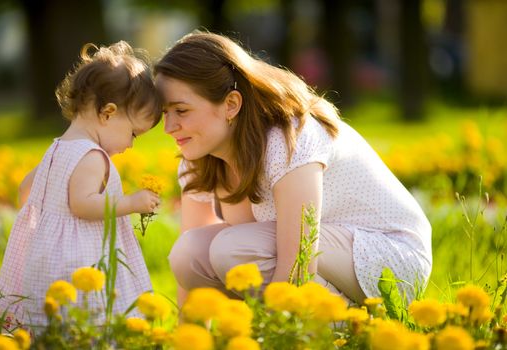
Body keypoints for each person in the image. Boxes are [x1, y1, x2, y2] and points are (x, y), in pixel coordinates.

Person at [154, 31, 432, 306]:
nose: (169, 127)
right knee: (189, 252)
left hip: (394, 260)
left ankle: (351, 326)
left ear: (231, 104)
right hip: (326, 258)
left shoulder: (288, 137)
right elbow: (189, 267)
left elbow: (298, 264)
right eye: (165, 113)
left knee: (234, 250)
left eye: (181, 110)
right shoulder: (198, 154)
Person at [0, 41, 161, 331]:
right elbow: (83, 205)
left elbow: (25, 191)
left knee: (50, 326)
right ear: (108, 113)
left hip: (45, 258)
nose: (132, 145)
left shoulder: (56, 148)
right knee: (88, 323)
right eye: (134, 133)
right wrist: (131, 203)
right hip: (79, 263)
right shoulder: (93, 156)